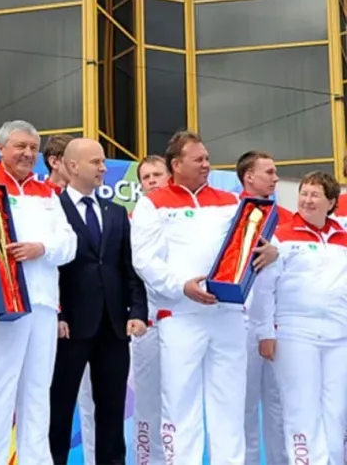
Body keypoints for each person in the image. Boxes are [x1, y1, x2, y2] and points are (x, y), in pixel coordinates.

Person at [131, 130, 277, 465]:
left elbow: (250, 243)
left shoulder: (229, 201)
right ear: (176, 164)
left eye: (208, 159)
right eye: (199, 160)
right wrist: (181, 286)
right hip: (181, 316)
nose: (207, 165)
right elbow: (145, 260)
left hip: (226, 315)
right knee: (181, 405)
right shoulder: (153, 203)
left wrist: (272, 252)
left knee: (229, 405)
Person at [0, 120, 77, 465]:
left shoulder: (47, 194)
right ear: (1, 150)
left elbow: (69, 243)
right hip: (2, 307)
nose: (28, 153)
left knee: (38, 394)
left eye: (33, 147)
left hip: (42, 305)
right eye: (20, 146)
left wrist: (41, 248)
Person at [49, 138, 147, 465]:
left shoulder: (116, 212)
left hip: (113, 326)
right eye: (96, 162)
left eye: (104, 162)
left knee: (112, 408)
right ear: (72, 165)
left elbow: (128, 267)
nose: (103, 168)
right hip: (70, 326)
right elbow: (51, 269)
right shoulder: (53, 208)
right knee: (59, 407)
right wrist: (58, 314)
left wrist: (137, 311)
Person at [249, 170, 347, 465]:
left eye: (315, 195)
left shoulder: (343, 236)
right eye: (303, 193)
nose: (306, 200)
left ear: (332, 202)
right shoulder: (281, 235)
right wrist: (265, 332)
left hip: (339, 336)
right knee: (301, 412)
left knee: (335, 413)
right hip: (295, 335)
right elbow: (264, 290)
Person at [41, 132, 96, 465]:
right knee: (52, 402)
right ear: (58, 162)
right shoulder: (44, 199)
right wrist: (59, 312)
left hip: (86, 317)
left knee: (91, 403)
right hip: (54, 314)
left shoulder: (87, 202)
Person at [236, 151, 290, 465]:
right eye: (268, 172)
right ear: (249, 177)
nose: (275, 177)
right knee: (242, 408)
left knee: (278, 406)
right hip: (241, 323)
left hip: (279, 322)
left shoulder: (286, 216)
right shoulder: (231, 211)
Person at [129, 155, 169, 465]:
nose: (152, 180)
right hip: (146, 321)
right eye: (146, 177)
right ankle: (146, 460)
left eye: (158, 174)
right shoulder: (131, 220)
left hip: (183, 317)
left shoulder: (184, 216)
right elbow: (131, 274)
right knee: (147, 399)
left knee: (178, 400)